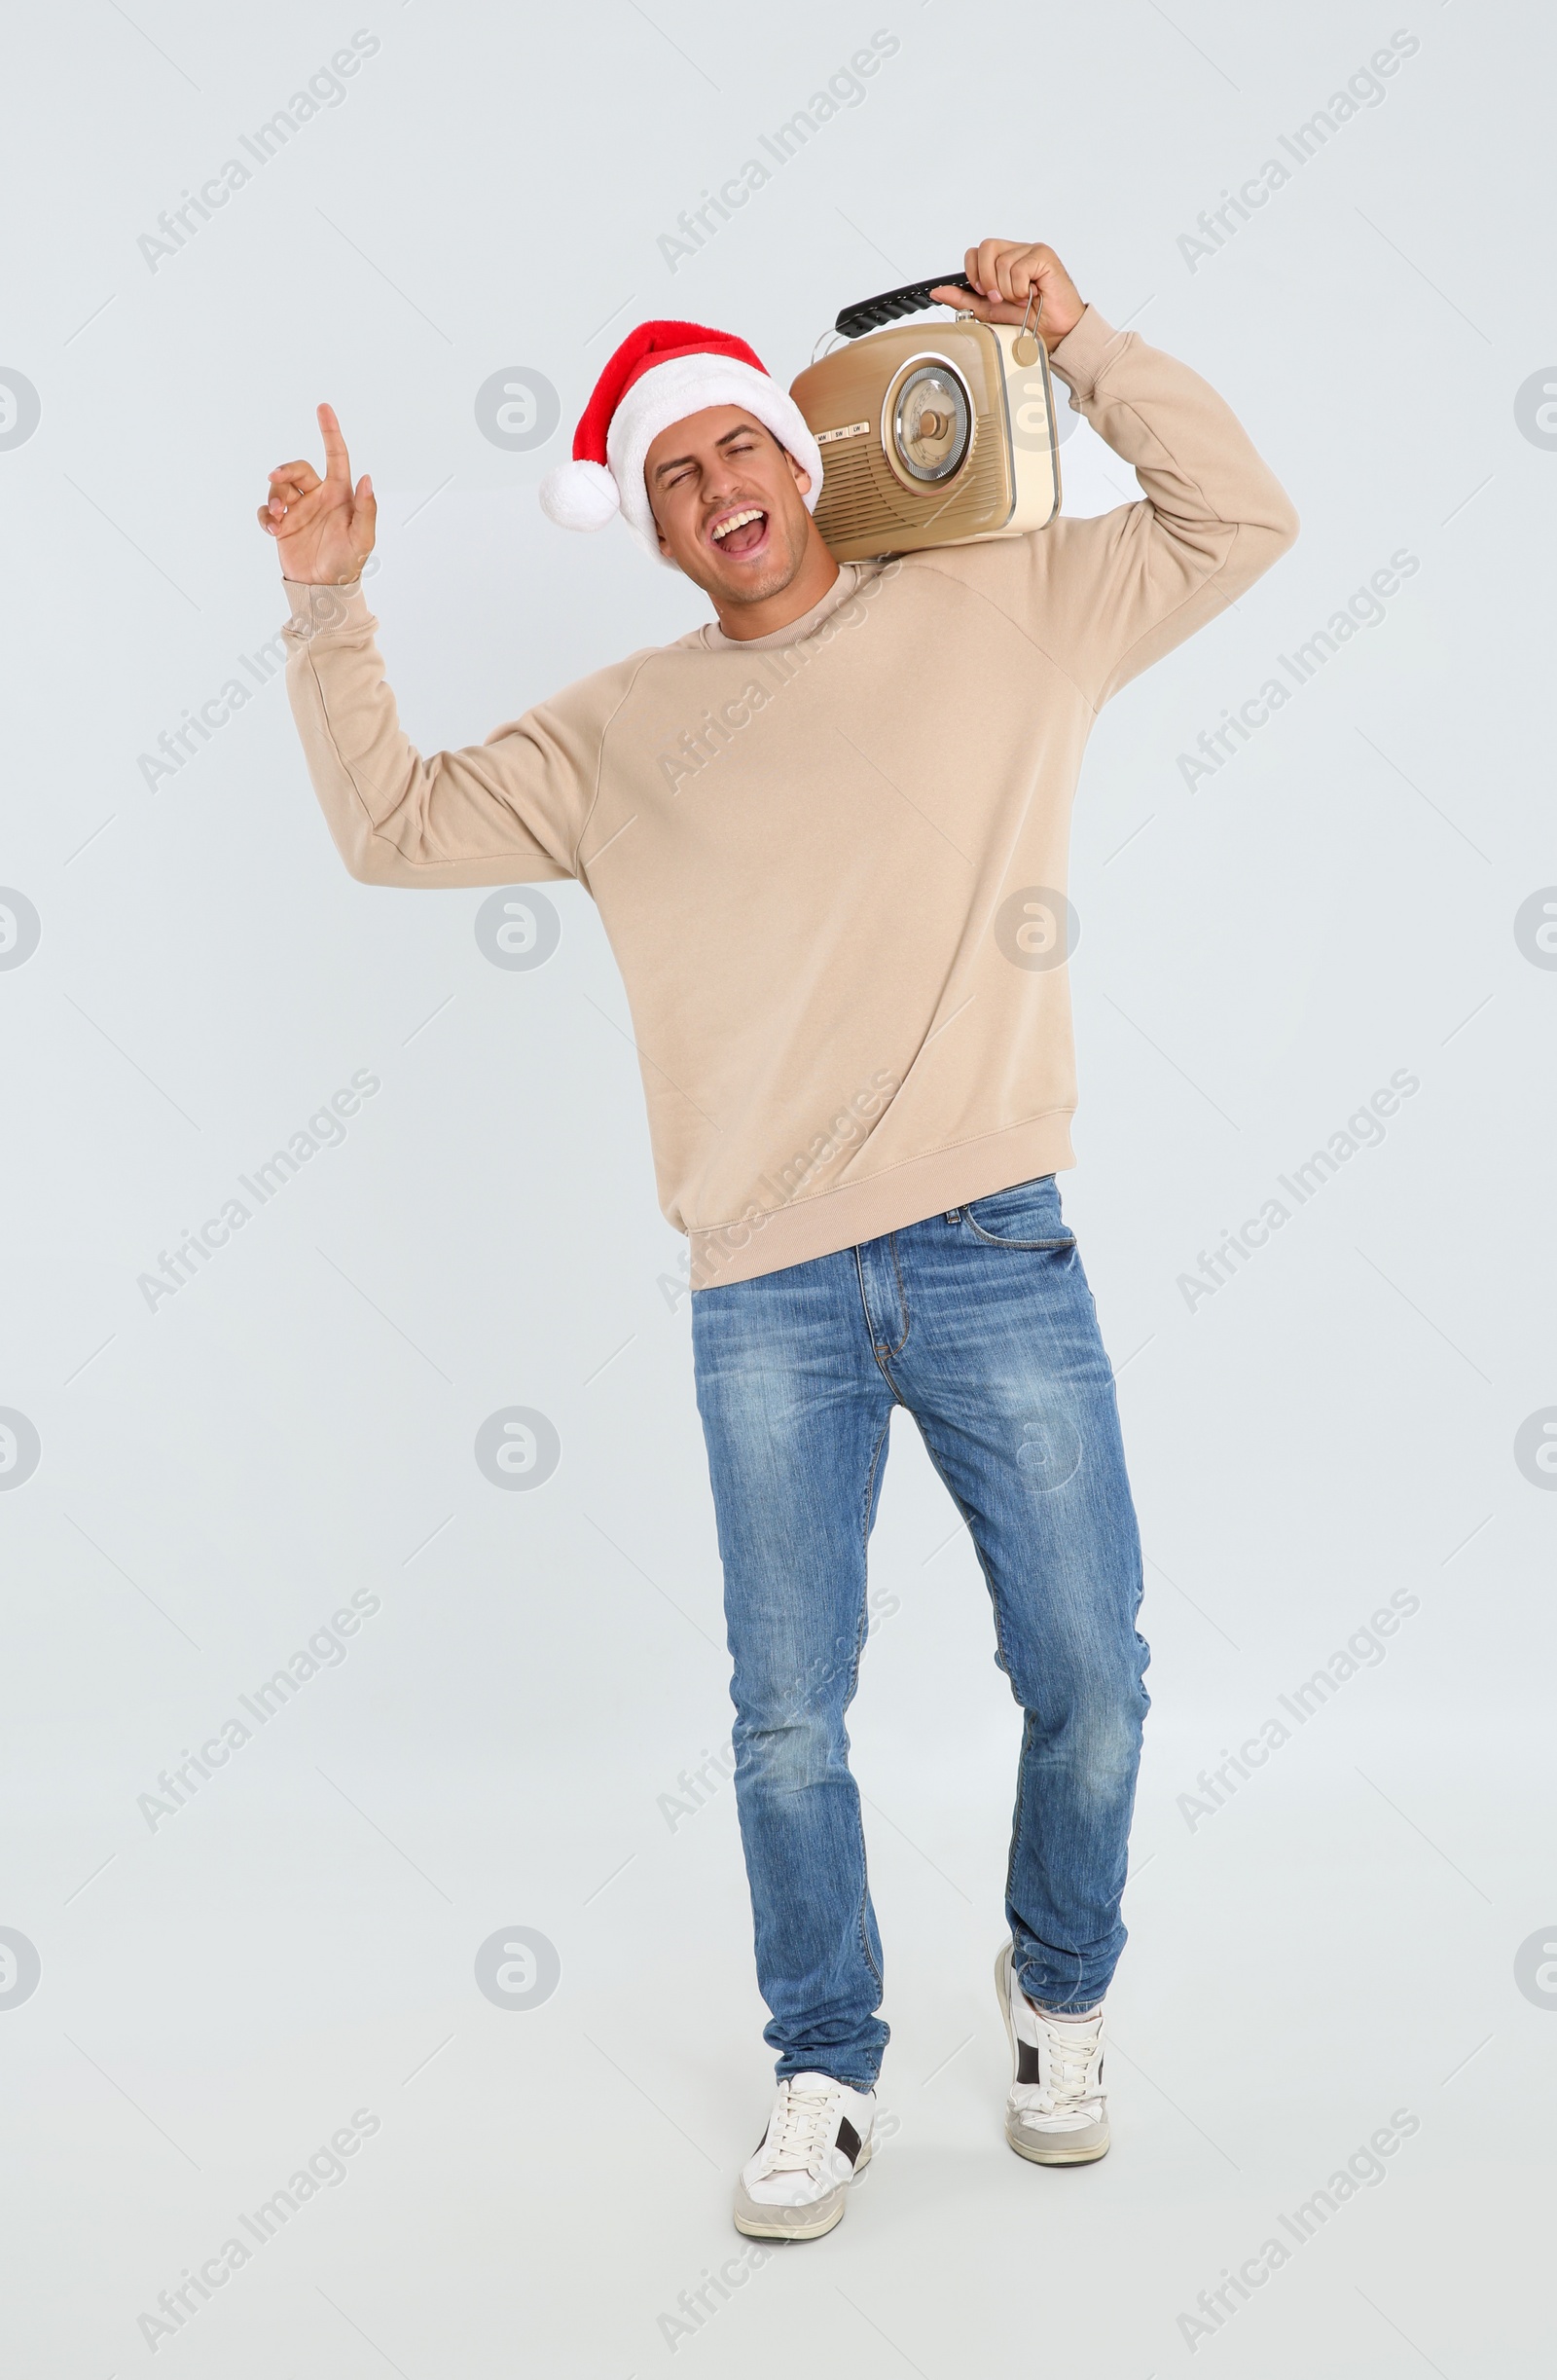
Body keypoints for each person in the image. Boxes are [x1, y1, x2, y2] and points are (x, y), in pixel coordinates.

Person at [260, 238, 1298, 2242]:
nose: (718, 484)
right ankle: (824, 2054)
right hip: (765, 1289)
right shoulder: (619, 731)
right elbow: (392, 823)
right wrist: (328, 604)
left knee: (1089, 1669)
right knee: (785, 1712)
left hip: (999, 1239)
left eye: (740, 441)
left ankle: (1054, 1986)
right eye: (672, 472)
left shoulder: (1002, 606)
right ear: (654, 523)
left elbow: (1236, 514)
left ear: (801, 457)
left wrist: (1071, 341)